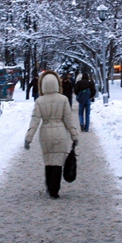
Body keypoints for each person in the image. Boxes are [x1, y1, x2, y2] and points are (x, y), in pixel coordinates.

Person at [24, 70, 79, 199]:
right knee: (58, 162)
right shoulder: (63, 99)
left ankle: (49, 186)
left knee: (48, 161)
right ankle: (55, 189)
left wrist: (28, 138)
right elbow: (68, 120)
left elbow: (35, 120)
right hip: (60, 132)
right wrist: (74, 136)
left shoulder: (39, 101)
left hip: (45, 134)